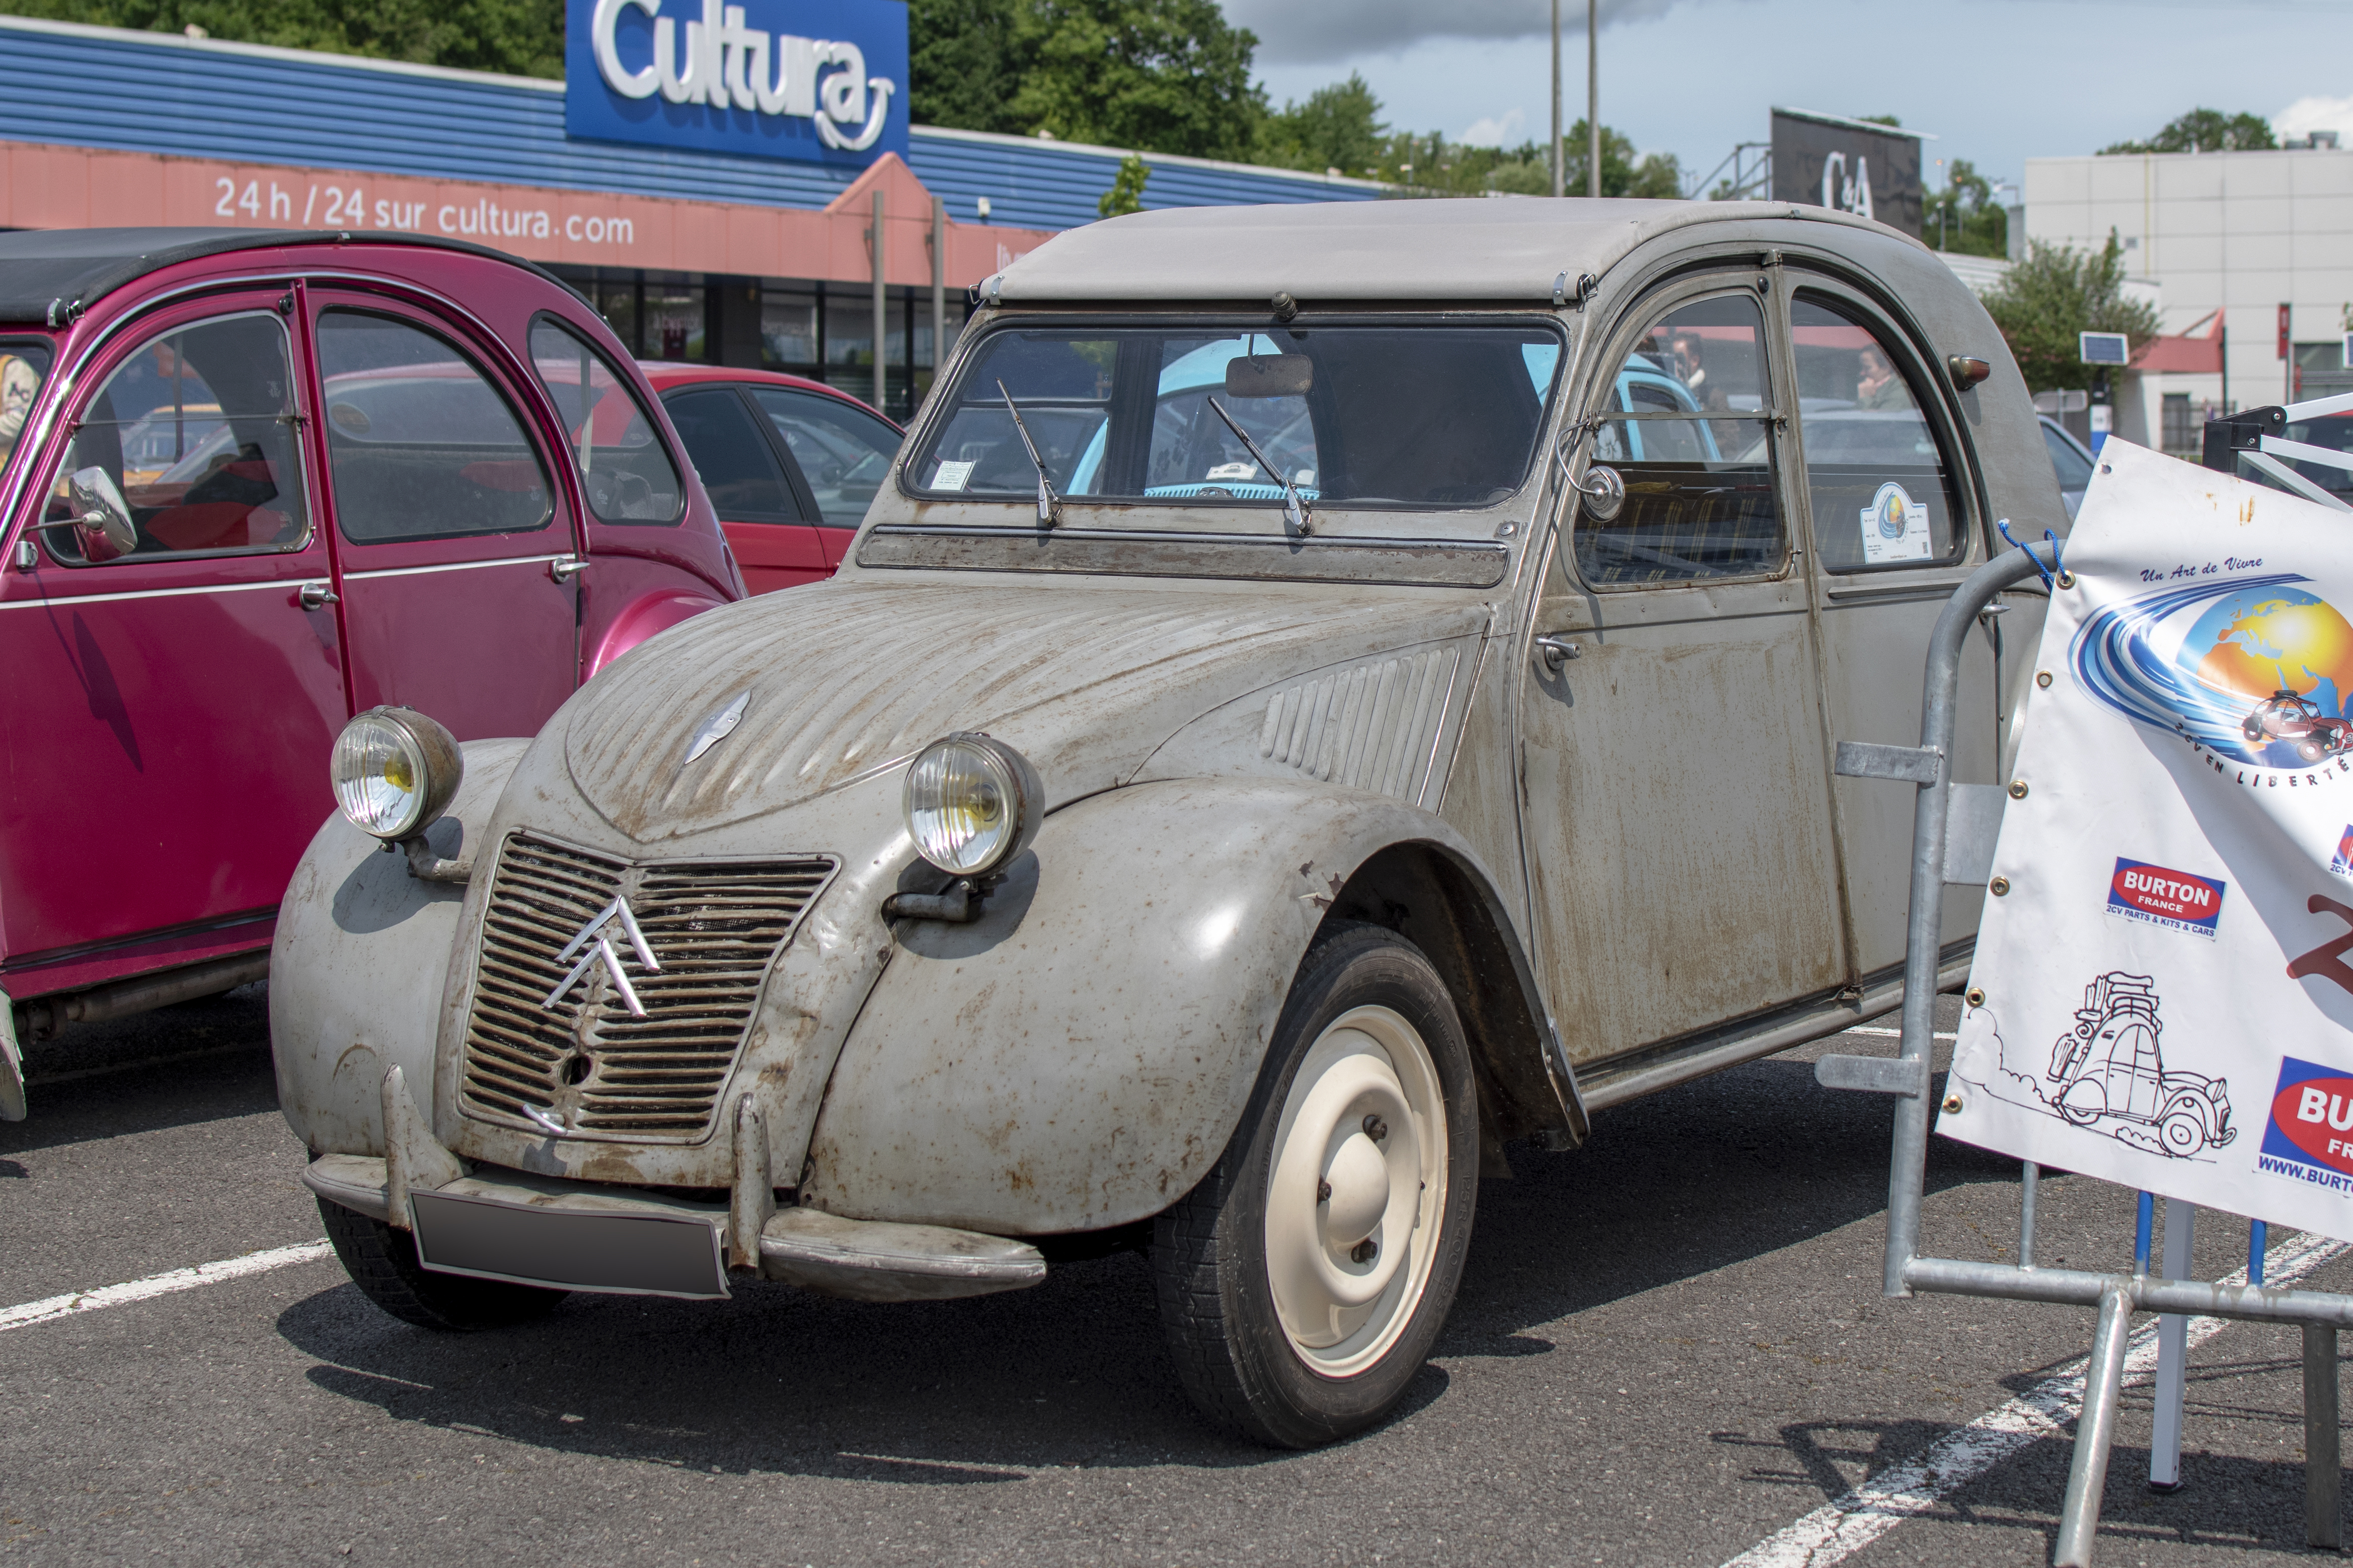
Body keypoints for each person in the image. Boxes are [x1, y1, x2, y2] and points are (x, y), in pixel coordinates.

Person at [1855, 344, 1909, 411]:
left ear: (1885, 367)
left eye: (1868, 368)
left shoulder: (1899, 390)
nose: (1862, 373)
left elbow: (1885, 417)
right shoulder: (1878, 388)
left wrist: (1865, 397)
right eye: (1862, 367)